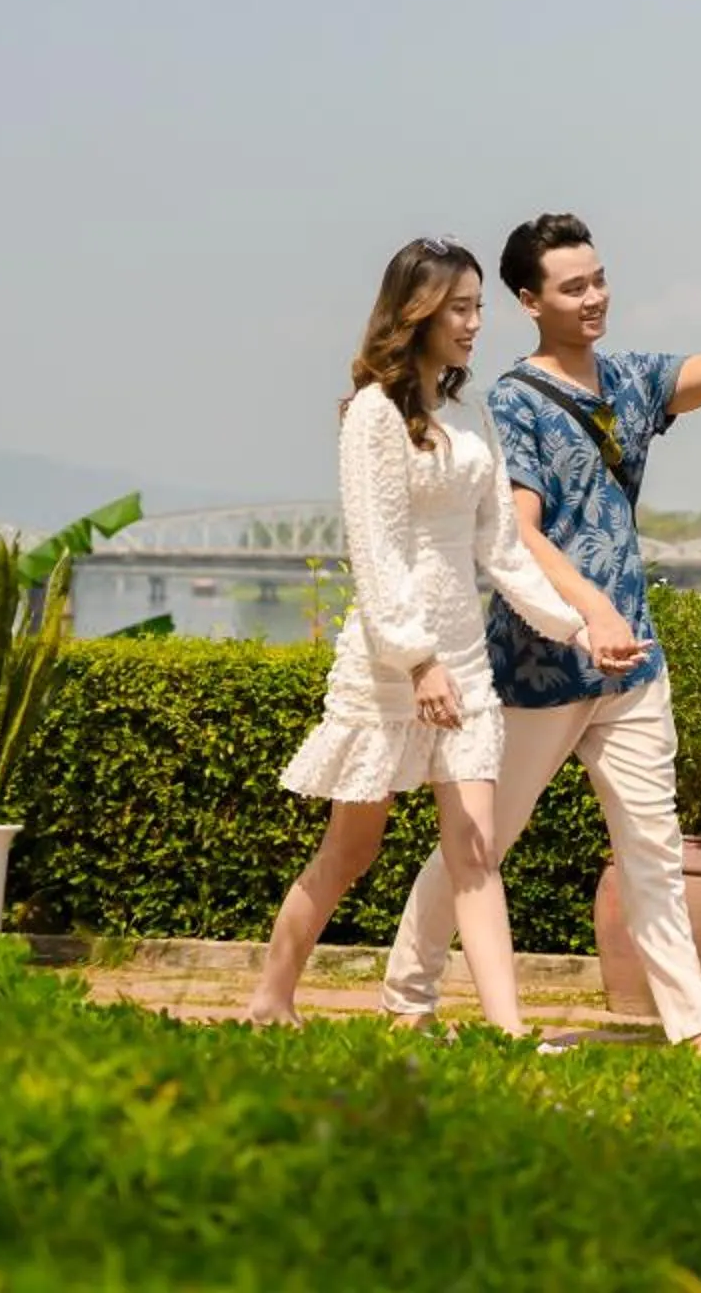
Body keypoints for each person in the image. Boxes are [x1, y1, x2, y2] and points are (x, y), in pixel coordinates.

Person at [380, 211, 701, 1060]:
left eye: (599, 279)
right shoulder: (512, 401)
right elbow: (521, 533)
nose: (594, 297)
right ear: (528, 299)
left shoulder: (630, 382)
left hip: (634, 664)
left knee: (652, 844)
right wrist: (593, 614)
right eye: (573, 286)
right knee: (482, 843)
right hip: (543, 665)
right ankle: (408, 993)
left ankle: (699, 1024)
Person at [246, 238, 599, 1033]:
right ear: (419, 314)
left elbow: (502, 549)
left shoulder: (469, 416)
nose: (477, 323)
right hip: (392, 660)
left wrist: (576, 629)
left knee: (475, 852)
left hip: (464, 662)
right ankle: (270, 998)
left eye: (478, 306)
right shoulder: (373, 415)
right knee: (352, 851)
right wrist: (416, 661)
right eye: (461, 308)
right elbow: (375, 553)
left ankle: (509, 1032)